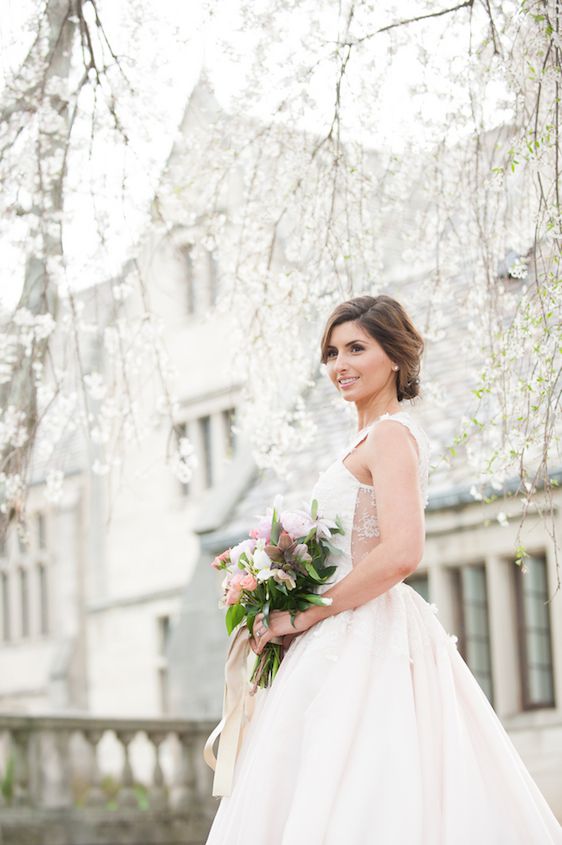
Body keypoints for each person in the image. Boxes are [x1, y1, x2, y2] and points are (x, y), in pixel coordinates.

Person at [205, 294, 562, 844]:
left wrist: (300, 617)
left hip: (365, 634)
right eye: (330, 352)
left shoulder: (392, 435)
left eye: (355, 348)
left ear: (393, 356)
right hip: (337, 633)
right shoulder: (362, 439)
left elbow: (401, 554)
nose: (339, 364)